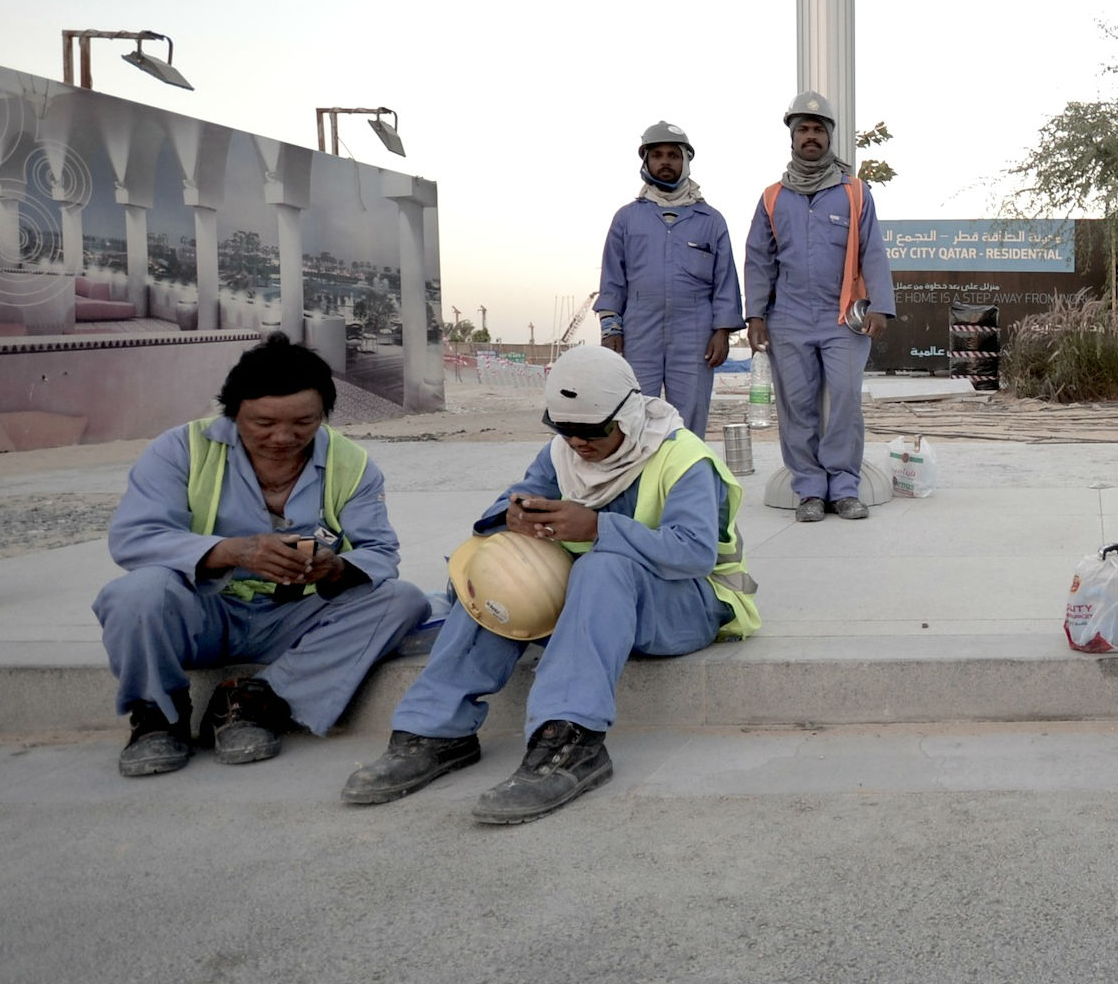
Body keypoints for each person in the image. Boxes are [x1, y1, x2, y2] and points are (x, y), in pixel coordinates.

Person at [342, 345, 759, 824]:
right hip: (594, 609)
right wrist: (511, 514)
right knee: (502, 571)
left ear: (628, 414)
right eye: (565, 429)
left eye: (593, 431)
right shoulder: (561, 455)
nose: (579, 443)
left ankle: (570, 739)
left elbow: (693, 552)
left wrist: (597, 528)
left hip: (688, 605)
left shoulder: (683, 458)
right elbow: (503, 507)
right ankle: (435, 730)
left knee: (602, 567)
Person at [92, 333, 428, 777]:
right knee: (135, 593)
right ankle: (159, 717)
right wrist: (233, 551)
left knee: (403, 599)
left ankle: (253, 700)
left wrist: (336, 567)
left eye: (304, 423)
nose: (283, 437)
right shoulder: (180, 449)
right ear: (232, 412)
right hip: (203, 612)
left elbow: (381, 553)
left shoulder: (354, 464)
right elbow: (135, 536)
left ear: (323, 414)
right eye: (264, 423)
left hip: (293, 619)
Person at [742, 91, 895, 522]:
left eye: (817, 129)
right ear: (792, 138)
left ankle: (844, 487)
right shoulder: (773, 197)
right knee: (797, 404)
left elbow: (874, 251)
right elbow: (758, 257)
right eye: (802, 130)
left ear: (830, 137)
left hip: (842, 317)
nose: (810, 137)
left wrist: (880, 305)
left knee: (845, 398)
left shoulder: (854, 192)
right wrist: (755, 315)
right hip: (787, 317)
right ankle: (809, 488)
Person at [596, 120, 744, 437]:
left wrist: (722, 332)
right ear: (646, 161)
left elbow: (725, 281)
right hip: (639, 330)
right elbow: (612, 278)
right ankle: (637, 484)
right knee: (634, 415)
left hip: (695, 332)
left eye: (673, 155)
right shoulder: (627, 219)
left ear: (685, 161)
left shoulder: (711, 220)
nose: (666, 162)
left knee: (689, 419)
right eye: (658, 155)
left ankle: (686, 484)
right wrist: (611, 327)